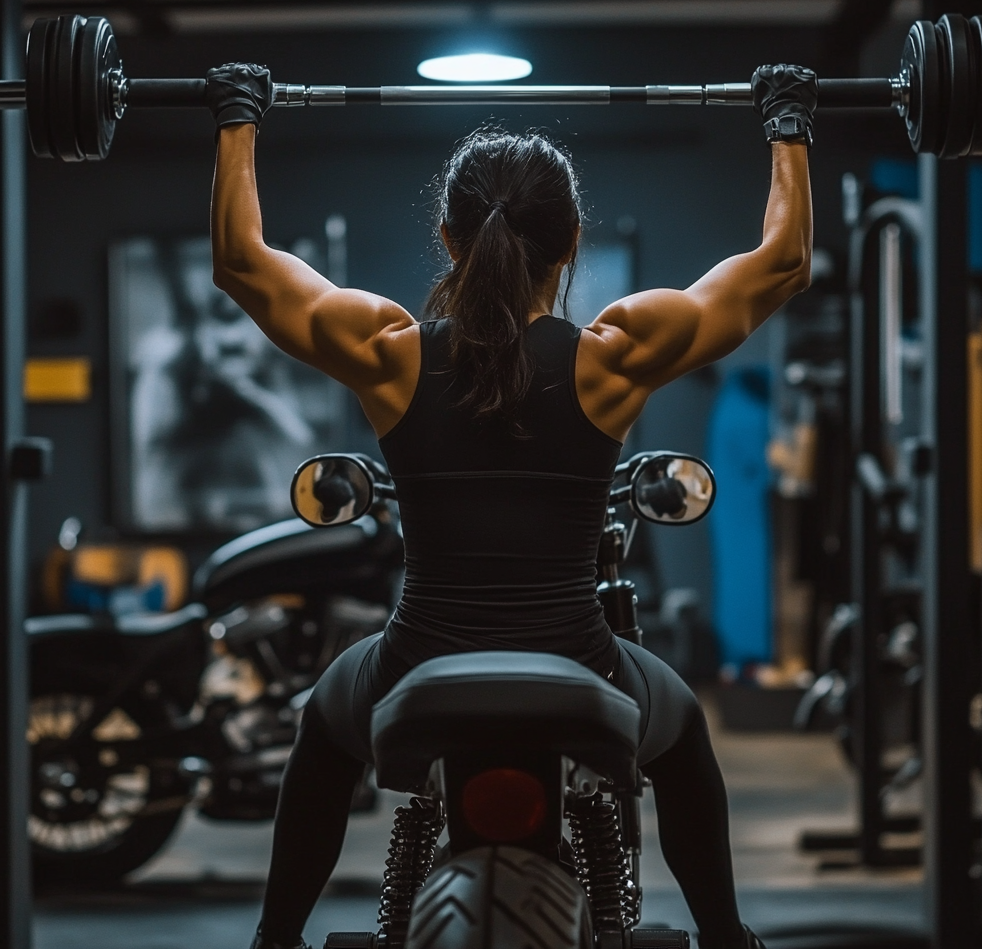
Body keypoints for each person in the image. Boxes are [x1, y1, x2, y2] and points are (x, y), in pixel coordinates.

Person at [206, 61, 816, 949]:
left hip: (415, 662)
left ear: (449, 240)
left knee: (321, 730)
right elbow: (783, 264)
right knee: (683, 736)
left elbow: (241, 264)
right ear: (570, 244)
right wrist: (788, 123)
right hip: (583, 659)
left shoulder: (388, 352)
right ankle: (724, 936)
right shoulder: (616, 356)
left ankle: (275, 939)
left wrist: (237, 117)